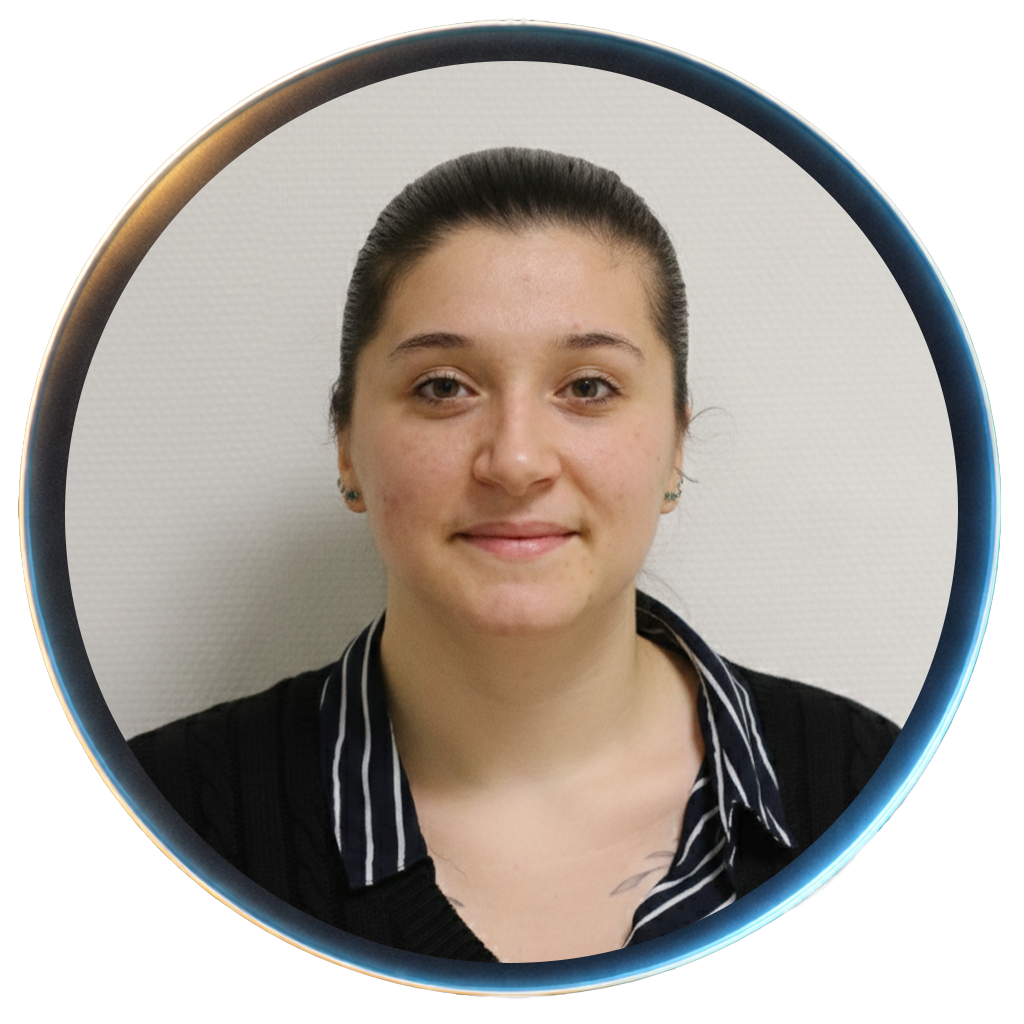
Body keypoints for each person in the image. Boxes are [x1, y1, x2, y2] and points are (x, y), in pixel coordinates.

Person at [129, 148, 899, 964]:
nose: (517, 460)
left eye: (589, 387)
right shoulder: (151, 821)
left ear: (674, 444)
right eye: (443, 387)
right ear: (348, 444)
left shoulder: (876, 795)